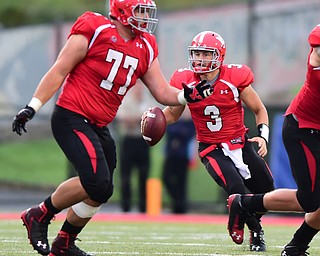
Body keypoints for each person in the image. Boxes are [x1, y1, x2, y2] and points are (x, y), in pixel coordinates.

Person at [11, 1, 213, 255]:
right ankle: (39, 214)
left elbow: (162, 90)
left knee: (103, 190)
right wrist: (32, 106)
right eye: (139, 10)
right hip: (72, 116)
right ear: (121, 9)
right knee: (96, 181)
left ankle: (64, 243)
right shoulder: (95, 28)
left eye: (145, 11)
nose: (144, 17)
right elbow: (60, 69)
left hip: (99, 124)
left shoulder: (146, 46)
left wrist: (187, 95)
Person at [159, 31, 275, 252]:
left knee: (268, 193)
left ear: (219, 56)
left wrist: (263, 136)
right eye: (197, 53)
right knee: (236, 189)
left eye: (205, 53)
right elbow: (172, 114)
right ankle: (256, 231)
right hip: (211, 148)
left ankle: (251, 221)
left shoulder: (234, 78)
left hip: (240, 142)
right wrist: (155, 120)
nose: (200, 59)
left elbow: (259, 109)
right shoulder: (186, 81)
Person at [227, 24, 320, 256]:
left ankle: (296, 247)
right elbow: (316, 43)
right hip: (303, 129)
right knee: (309, 200)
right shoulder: (317, 60)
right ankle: (244, 204)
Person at [117, 81, 151, 213]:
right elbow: (124, 119)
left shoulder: (147, 101)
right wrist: (139, 120)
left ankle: (143, 206)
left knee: (143, 174)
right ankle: (126, 205)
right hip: (129, 140)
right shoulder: (127, 101)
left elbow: (151, 120)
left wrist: (137, 121)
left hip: (142, 141)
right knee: (126, 174)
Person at [162, 109, 196, 214]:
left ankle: (180, 206)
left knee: (182, 181)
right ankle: (178, 202)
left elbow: (188, 133)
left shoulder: (190, 123)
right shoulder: (174, 119)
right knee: (166, 178)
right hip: (171, 154)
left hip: (182, 155)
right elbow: (169, 130)